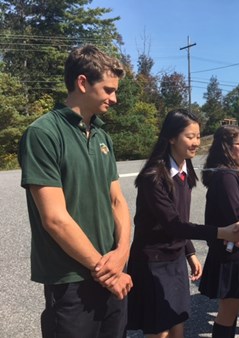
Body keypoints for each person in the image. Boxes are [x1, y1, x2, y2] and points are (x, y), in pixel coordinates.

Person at [19, 45, 133, 338]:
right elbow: (55, 219)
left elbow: (117, 200)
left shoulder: (102, 135)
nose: (114, 98)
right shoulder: (43, 133)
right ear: (82, 83)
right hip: (71, 279)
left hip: (112, 271)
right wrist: (105, 270)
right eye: (108, 90)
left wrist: (121, 253)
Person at [126, 110, 239, 338]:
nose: (196, 143)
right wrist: (221, 232)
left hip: (174, 259)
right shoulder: (154, 176)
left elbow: (180, 221)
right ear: (172, 138)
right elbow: (174, 224)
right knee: (160, 330)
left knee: (178, 323)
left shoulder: (185, 172)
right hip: (153, 261)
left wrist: (189, 253)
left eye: (198, 136)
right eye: (190, 136)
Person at [199, 125, 239, 337]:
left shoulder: (228, 172)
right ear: (226, 147)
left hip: (234, 251)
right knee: (228, 310)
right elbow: (237, 218)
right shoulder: (226, 176)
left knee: (232, 308)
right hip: (230, 254)